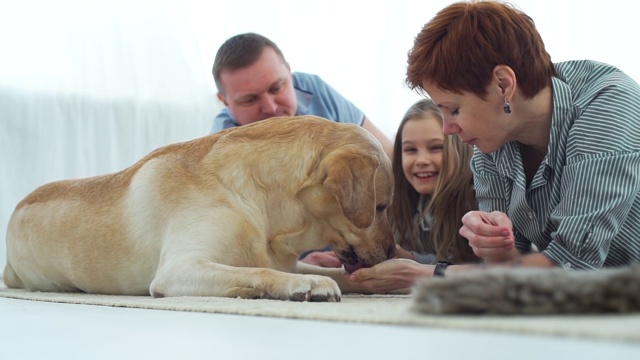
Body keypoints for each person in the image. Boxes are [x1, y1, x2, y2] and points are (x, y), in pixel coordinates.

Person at [397, 0, 640, 277]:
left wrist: (432, 274)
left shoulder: (608, 105)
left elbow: (572, 266)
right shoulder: (490, 144)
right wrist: (498, 247)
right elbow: (510, 271)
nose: (448, 129)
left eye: (454, 109)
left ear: (503, 84)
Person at [343, 99, 479, 293]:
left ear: (461, 147)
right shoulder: (406, 204)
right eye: (410, 150)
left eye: (435, 148)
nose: (421, 160)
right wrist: (405, 256)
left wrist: (414, 264)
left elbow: (489, 269)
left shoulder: (478, 201)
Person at [211, 32, 394, 159]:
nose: (271, 107)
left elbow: (387, 152)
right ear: (224, 101)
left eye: (276, 88)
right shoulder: (218, 148)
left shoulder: (314, 89)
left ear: (290, 73)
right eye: (250, 99)